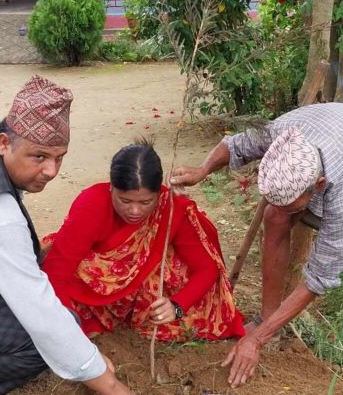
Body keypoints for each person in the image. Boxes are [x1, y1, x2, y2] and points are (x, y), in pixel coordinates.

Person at [171, 104, 343, 387]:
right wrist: (203, 169)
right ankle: (269, 319)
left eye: (292, 202)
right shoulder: (281, 136)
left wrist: (255, 339)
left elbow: (318, 279)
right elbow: (235, 145)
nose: (285, 206)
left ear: (318, 186)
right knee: (275, 215)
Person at [0, 75, 153, 395]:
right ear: (4, 142)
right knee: (44, 333)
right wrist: (108, 383)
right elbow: (40, 314)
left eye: (59, 158)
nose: (51, 171)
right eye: (38, 157)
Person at [41, 141, 245, 343]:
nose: (135, 211)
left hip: (146, 303)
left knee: (178, 277)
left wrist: (176, 305)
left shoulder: (170, 208)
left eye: (146, 202)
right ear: (111, 187)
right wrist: (68, 327)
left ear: (159, 193)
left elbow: (207, 268)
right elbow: (57, 271)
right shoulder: (91, 206)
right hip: (94, 297)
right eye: (125, 201)